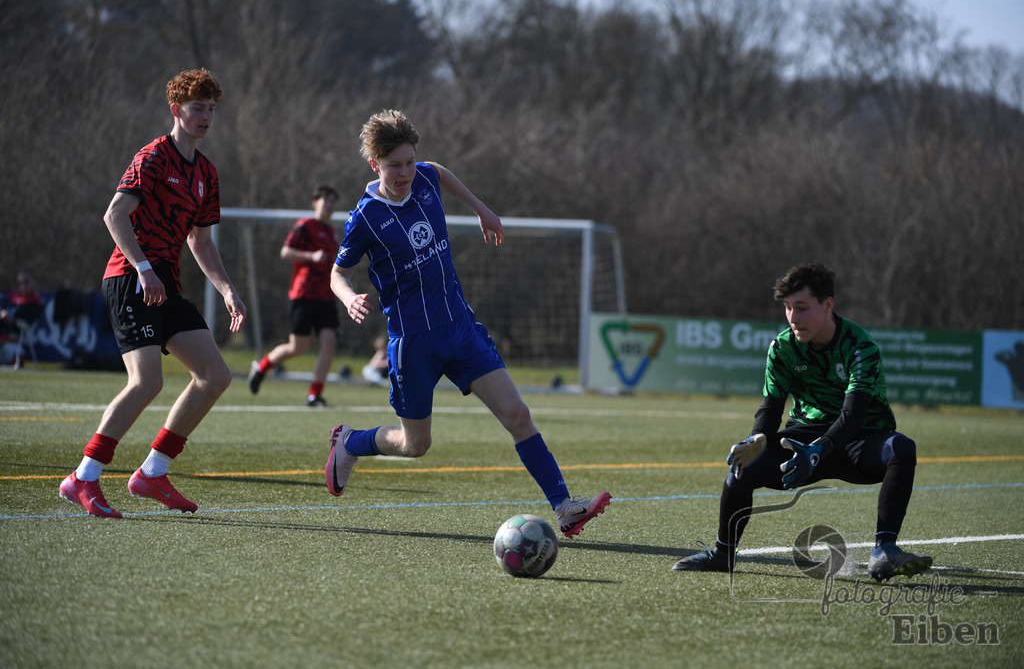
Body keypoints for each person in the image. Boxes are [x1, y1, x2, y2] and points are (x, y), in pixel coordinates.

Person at [324, 109, 610, 538]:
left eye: (409, 161)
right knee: (415, 445)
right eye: (394, 166)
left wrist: (480, 208)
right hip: (414, 342)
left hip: (460, 328)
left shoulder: (423, 177)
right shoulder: (365, 218)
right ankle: (351, 442)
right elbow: (337, 273)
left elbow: (437, 171)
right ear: (374, 165)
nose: (405, 173)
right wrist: (348, 300)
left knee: (518, 413)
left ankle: (565, 507)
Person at [59, 68, 246, 518]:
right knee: (147, 381)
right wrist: (143, 268)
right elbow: (114, 215)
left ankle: (152, 472)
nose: (205, 116)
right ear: (176, 110)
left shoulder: (206, 173)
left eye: (211, 109)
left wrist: (227, 289)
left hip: (166, 282)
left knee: (215, 376)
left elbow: (199, 242)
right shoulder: (153, 157)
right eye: (197, 107)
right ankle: (82, 478)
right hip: (130, 277)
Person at [673, 263, 932, 581]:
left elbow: (852, 417)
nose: (793, 318)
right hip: (803, 438)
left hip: (860, 438)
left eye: (802, 308)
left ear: (828, 305)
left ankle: (884, 550)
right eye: (788, 308)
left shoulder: (860, 347)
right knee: (744, 466)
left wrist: (820, 449)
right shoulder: (782, 347)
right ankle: (723, 554)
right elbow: (770, 407)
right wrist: (757, 439)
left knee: (901, 448)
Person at [248, 186, 341, 406]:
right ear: (315, 202)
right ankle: (261, 366)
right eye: (326, 200)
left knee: (329, 343)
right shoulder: (305, 226)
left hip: (327, 296)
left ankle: (314, 395)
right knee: (298, 347)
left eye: (333, 201)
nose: (330, 205)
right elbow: (285, 252)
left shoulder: (332, 232)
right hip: (305, 294)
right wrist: (311, 256)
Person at [0, 271, 44, 335]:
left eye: (26, 282)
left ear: (32, 283)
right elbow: (3, 307)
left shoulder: (36, 300)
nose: (23, 285)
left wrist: (14, 320)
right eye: (20, 282)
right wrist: (3, 312)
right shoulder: (12, 296)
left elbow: (30, 319)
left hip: (17, 329)